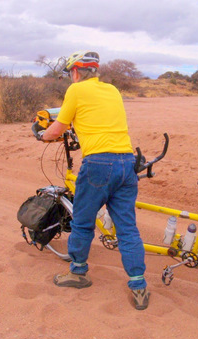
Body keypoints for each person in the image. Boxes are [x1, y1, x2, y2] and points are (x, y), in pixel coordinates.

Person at [38, 51, 149, 310]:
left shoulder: (76, 90)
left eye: (70, 73)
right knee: (128, 229)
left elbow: (58, 127)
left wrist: (43, 136)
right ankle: (138, 284)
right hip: (126, 162)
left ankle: (77, 273)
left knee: (83, 221)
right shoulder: (112, 90)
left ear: (75, 72)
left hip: (99, 164)